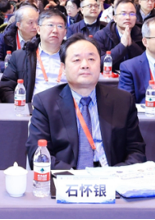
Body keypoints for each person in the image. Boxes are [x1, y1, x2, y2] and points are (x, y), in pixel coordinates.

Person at [27, 34, 146, 169]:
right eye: (77, 60)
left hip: (111, 175)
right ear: (63, 68)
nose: (85, 65)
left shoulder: (122, 100)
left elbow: (136, 151)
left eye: (91, 59)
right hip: (68, 176)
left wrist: (115, 175)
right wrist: (74, 177)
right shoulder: (45, 102)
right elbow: (37, 153)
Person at [0, 9, 68, 104]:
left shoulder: (75, 57)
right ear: (38, 29)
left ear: (65, 32)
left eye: (60, 26)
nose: (55, 30)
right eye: (50, 25)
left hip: (67, 109)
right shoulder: (21, 56)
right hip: (32, 109)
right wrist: (21, 106)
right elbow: (6, 87)